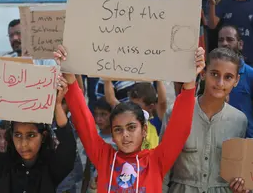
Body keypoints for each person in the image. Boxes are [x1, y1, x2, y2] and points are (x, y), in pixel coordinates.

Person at [54, 45, 204, 192]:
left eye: (132, 127)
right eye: (118, 129)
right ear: (112, 135)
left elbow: (180, 129)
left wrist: (190, 82)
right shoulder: (104, 158)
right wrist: (68, 72)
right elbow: (83, 121)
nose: (125, 134)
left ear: (144, 130)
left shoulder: (156, 161)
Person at [0, 65, 77, 192]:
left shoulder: (52, 168)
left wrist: (57, 104)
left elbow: (68, 147)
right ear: (11, 135)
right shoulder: (2, 164)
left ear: (44, 136)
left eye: (31, 135)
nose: (23, 144)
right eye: (18, 135)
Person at [162, 47, 248, 193]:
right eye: (214, 74)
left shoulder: (240, 121)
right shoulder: (176, 112)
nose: (220, 83)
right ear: (203, 73)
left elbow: (239, 174)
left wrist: (241, 185)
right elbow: (162, 167)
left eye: (228, 77)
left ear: (236, 80)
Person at [217, 25, 253, 138]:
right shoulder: (211, 74)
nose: (224, 43)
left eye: (230, 39)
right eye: (221, 40)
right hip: (216, 142)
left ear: (240, 44)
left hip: (244, 145)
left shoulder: (250, 75)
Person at [208, 0, 253, 66]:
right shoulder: (224, 3)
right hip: (227, 57)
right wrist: (212, 4)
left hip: (250, 58)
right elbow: (212, 25)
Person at [82, 97, 116, 193]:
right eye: (96, 114)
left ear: (112, 115)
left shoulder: (118, 141)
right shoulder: (95, 138)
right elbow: (88, 168)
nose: (98, 119)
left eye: (103, 114)